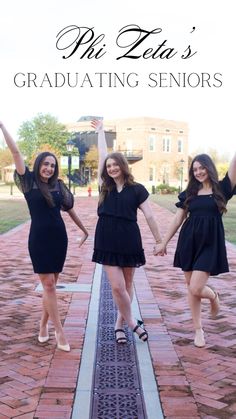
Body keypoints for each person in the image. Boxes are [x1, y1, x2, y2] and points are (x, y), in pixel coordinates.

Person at [0, 121, 89, 352]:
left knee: (51, 287)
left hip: (59, 239)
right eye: (46, 164)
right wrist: (2, 124)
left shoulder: (59, 186)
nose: (49, 168)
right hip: (38, 239)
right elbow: (16, 152)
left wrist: (84, 230)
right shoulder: (28, 182)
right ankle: (59, 331)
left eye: (52, 165)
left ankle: (42, 326)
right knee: (48, 285)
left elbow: (69, 209)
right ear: (39, 164)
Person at [91, 119, 162, 344]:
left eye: (115, 165)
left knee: (128, 285)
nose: (111, 168)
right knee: (117, 286)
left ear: (123, 166)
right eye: (109, 166)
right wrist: (101, 132)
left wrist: (160, 241)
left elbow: (150, 215)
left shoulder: (137, 190)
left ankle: (119, 324)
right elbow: (103, 155)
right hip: (107, 239)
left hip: (129, 239)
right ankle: (133, 323)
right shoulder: (106, 186)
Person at [154, 153, 236, 347]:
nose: (198, 172)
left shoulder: (222, 188)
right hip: (189, 242)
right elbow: (178, 218)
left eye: (202, 168)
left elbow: (234, 164)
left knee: (196, 288)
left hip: (210, 243)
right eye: (195, 169)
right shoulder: (190, 191)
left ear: (209, 168)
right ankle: (198, 330)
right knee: (191, 287)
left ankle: (214, 297)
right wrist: (164, 242)